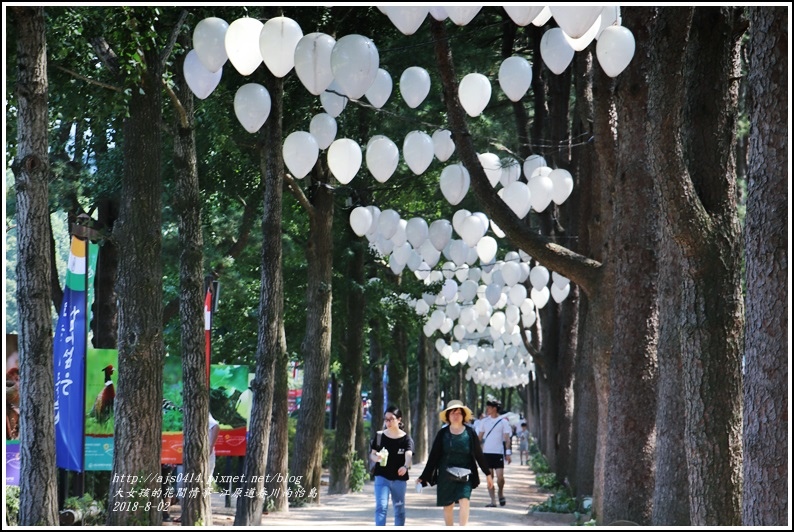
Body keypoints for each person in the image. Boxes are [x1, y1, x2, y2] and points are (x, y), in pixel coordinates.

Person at [417, 400, 493, 526]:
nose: (456, 416)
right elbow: (433, 457)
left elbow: (478, 454)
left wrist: (488, 474)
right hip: (445, 475)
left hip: (466, 473)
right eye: (452, 413)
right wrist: (423, 476)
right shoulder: (442, 434)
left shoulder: (470, 433)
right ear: (448, 416)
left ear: (463, 416)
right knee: (448, 506)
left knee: (464, 500)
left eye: (458, 413)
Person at [370, 406, 413, 526]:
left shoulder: (406, 439)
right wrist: (376, 458)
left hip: (399, 479)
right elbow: (372, 454)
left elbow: (408, 455)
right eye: (386, 419)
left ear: (399, 420)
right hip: (382, 477)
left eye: (391, 419)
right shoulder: (379, 436)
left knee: (399, 509)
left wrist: (405, 466)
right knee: (381, 507)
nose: (388, 422)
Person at [478, 399, 512, 507]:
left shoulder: (503, 422)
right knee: (489, 477)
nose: (487, 409)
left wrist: (508, 453)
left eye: (489, 407)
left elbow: (507, 439)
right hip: (487, 453)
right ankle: (493, 501)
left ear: (494, 408)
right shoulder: (484, 422)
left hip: (498, 453)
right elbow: (479, 437)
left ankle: (500, 493)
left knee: (500, 477)